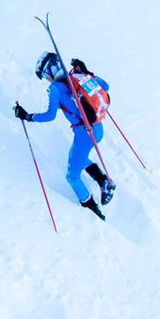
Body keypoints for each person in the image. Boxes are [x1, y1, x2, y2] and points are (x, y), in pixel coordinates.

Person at [15, 54, 115, 219]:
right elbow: (106, 86)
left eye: (45, 76)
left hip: (84, 135)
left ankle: (92, 210)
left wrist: (28, 116)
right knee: (75, 157)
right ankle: (103, 182)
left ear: (48, 72)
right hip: (98, 128)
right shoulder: (77, 76)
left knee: (72, 176)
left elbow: (50, 116)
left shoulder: (55, 88)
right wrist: (88, 73)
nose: (47, 79)